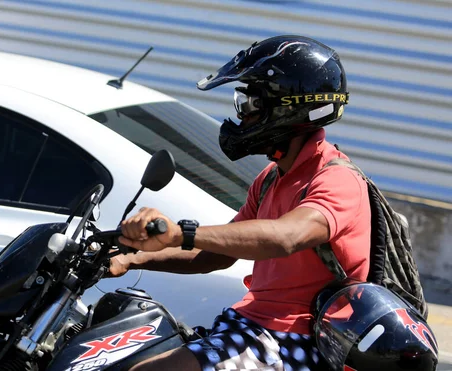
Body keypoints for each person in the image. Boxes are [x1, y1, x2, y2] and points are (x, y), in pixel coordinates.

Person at [108, 35, 371, 371]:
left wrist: (181, 232)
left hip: (299, 340)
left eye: (250, 105)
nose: (241, 115)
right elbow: (214, 255)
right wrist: (130, 258)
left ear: (289, 107)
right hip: (251, 326)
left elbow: (284, 237)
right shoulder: (271, 180)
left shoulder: (336, 179)